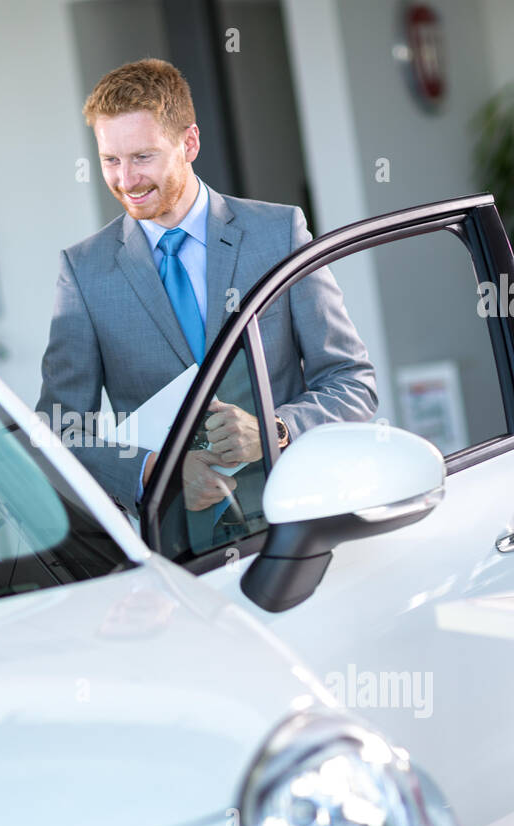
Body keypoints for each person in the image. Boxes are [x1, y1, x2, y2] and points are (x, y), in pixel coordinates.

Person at [36, 58, 377, 516]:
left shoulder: (278, 233)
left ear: (189, 142)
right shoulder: (83, 271)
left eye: (142, 157)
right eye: (110, 160)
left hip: (302, 511)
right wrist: (158, 471)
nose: (126, 180)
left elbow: (352, 381)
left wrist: (274, 430)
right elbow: (60, 431)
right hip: (177, 544)